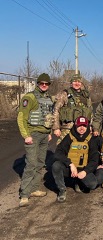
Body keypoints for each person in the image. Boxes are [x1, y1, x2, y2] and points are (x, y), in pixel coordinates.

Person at [17, 73, 54, 207]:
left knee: (40, 163)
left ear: (49, 85)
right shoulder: (30, 97)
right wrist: (26, 135)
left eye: (47, 83)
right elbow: (21, 117)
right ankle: (24, 194)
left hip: (44, 134)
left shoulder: (49, 98)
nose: (44, 85)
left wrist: (49, 132)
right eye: (42, 83)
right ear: (38, 83)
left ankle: (34, 188)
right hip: (33, 134)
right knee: (31, 164)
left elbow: (48, 117)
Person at [52, 116, 99, 203]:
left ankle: (78, 182)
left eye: (84, 126)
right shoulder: (69, 137)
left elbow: (95, 160)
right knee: (56, 165)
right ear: (75, 126)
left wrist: (85, 171)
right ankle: (62, 190)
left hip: (83, 169)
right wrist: (70, 164)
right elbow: (58, 153)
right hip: (70, 168)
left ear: (87, 126)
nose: (82, 128)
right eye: (79, 126)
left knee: (92, 185)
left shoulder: (91, 139)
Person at [52, 74, 92, 144]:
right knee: (62, 147)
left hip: (82, 128)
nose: (77, 83)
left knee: (81, 148)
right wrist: (56, 128)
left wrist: (90, 126)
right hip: (68, 127)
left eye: (79, 82)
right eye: (74, 81)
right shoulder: (64, 94)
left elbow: (90, 111)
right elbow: (56, 110)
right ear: (71, 83)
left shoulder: (85, 95)